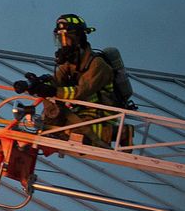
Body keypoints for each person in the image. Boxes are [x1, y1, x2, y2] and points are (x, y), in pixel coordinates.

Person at [15, 14, 118, 147]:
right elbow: (56, 83)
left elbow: (80, 91)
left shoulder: (97, 64)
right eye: (60, 39)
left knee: (70, 133)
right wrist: (35, 85)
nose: (63, 44)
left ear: (79, 39)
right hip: (80, 112)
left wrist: (52, 90)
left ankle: (121, 133)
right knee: (48, 123)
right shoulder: (70, 64)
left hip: (100, 116)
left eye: (66, 39)